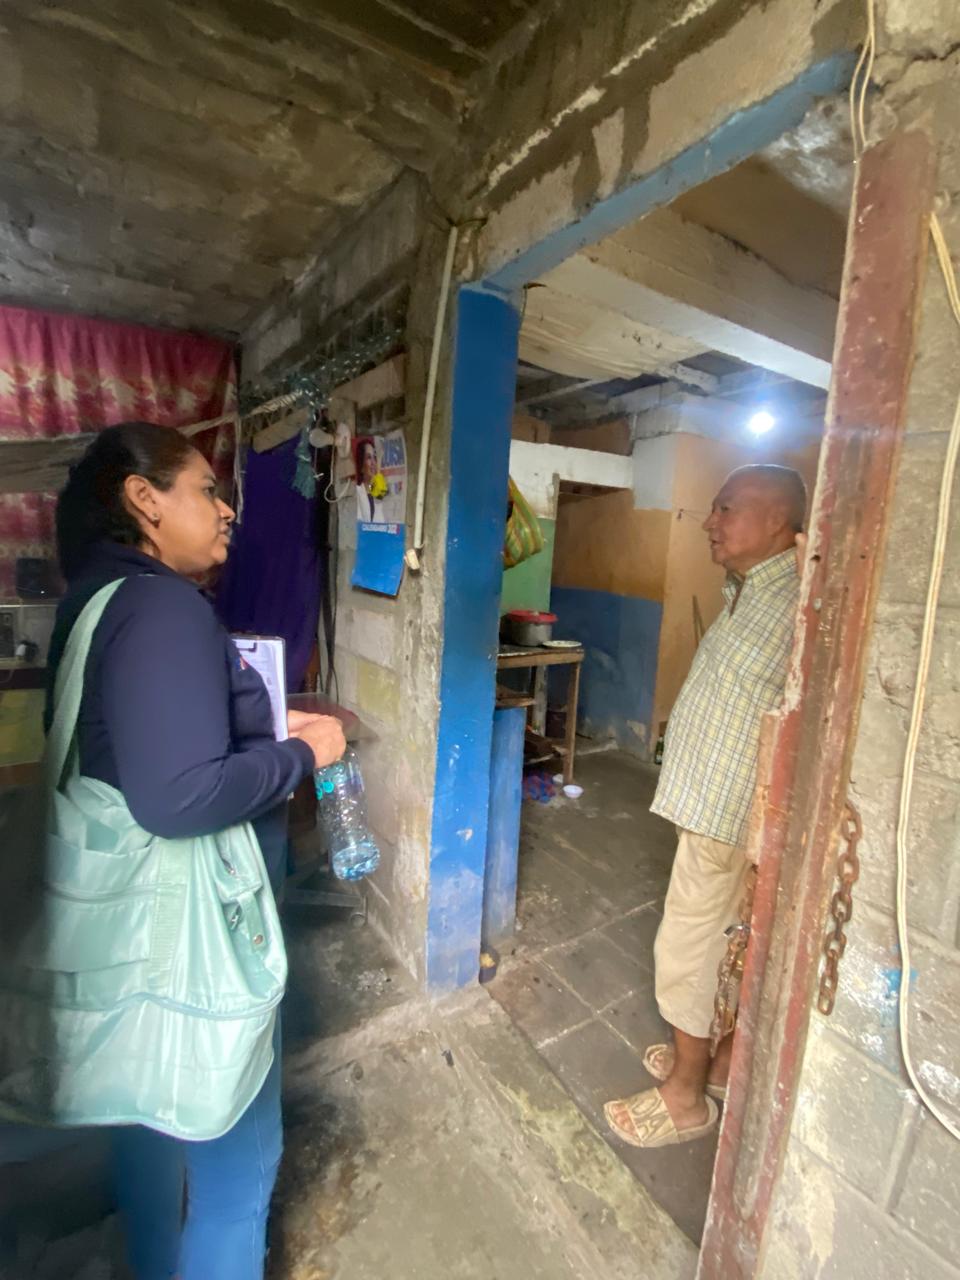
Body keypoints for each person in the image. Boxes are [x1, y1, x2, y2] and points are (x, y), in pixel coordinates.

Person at [47, 422, 346, 1278]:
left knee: (146, 1118)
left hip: (120, 943)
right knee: (234, 1170)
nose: (227, 510)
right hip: (188, 940)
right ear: (145, 499)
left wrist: (265, 723)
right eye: (208, 490)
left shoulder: (97, 600)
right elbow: (179, 796)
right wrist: (303, 756)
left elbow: (140, 743)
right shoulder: (165, 607)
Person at [604, 463, 806, 1150]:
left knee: (689, 947)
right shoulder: (751, 591)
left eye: (726, 509)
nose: (709, 523)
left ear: (778, 521)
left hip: (730, 816)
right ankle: (716, 1065)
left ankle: (685, 1098)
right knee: (725, 944)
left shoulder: (800, 597)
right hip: (712, 807)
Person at [355, 437, 385, 524]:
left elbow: (378, 494)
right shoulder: (357, 492)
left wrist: (379, 460)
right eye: (368, 457)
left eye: (374, 457)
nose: (373, 463)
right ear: (361, 465)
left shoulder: (373, 491)